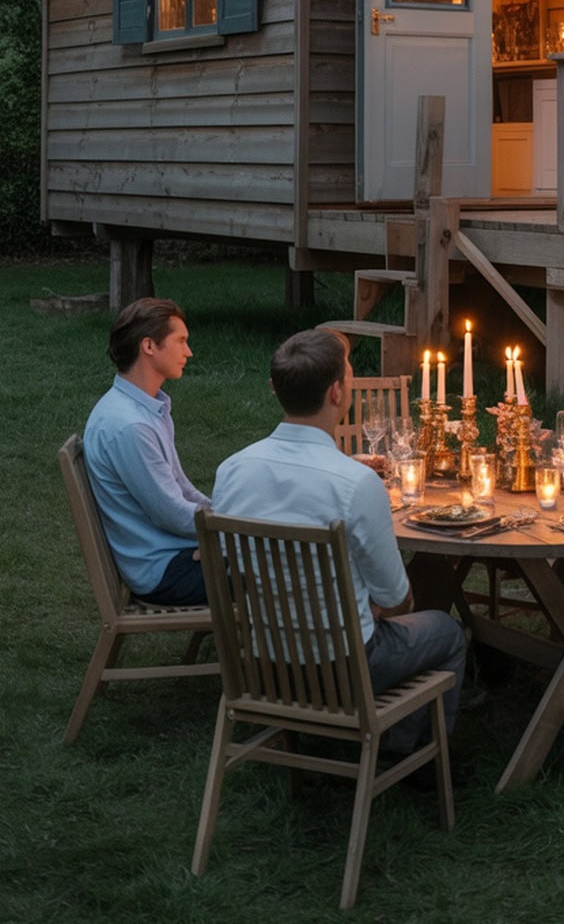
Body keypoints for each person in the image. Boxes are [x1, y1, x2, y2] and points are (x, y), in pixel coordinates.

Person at [211, 325, 466, 756]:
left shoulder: (232, 470)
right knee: (446, 630)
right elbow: (398, 595)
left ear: (275, 389)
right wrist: (368, 605)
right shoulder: (355, 483)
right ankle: (412, 757)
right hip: (345, 664)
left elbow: (234, 572)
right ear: (337, 394)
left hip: (264, 661)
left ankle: (383, 742)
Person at [83, 296, 210, 604]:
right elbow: (172, 514)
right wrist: (237, 530)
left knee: (281, 558)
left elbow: (181, 489)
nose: (188, 352)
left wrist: (232, 516)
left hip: (175, 553)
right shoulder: (130, 426)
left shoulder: (146, 410)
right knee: (286, 570)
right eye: (180, 341)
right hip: (166, 570)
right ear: (149, 346)